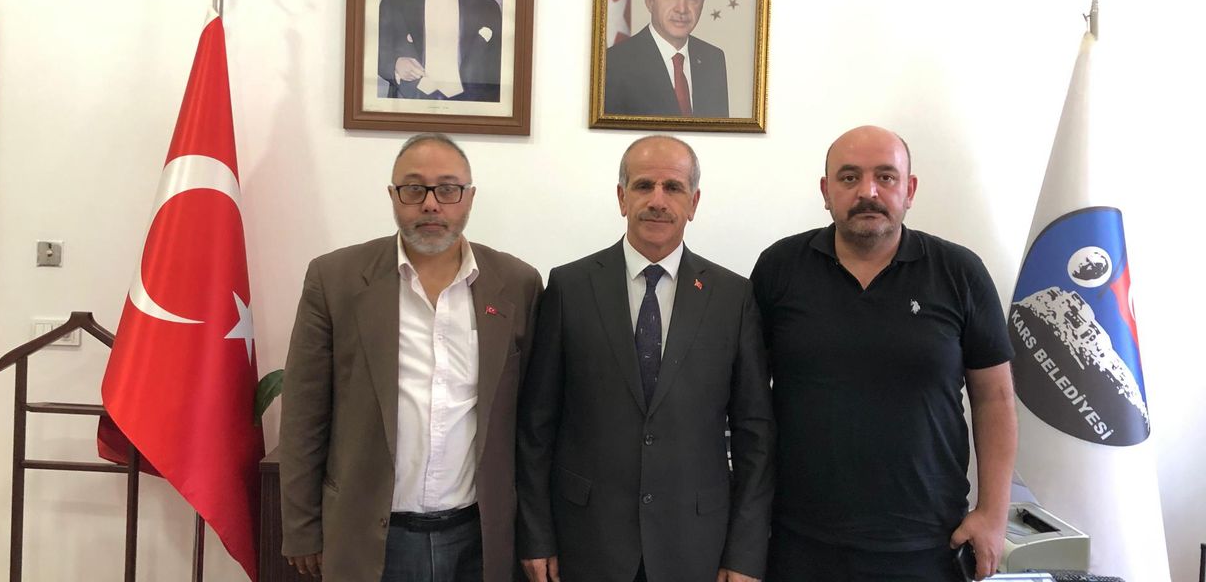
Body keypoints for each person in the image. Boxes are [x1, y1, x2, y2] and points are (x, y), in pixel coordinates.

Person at [749, 125, 1017, 581]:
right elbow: (750, 401)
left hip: (928, 543)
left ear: (909, 190)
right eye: (849, 177)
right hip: (799, 541)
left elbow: (996, 398)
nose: (867, 192)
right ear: (826, 191)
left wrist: (992, 513)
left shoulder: (960, 272)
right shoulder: (780, 268)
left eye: (886, 177)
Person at [279, 133, 542, 582]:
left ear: (469, 197)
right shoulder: (336, 279)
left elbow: (531, 420)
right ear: (393, 196)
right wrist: (302, 528)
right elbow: (304, 415)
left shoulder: (517, 284)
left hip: (479, 535)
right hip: (371, 536)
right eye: (414, 188)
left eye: (448, 189)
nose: (431, 204)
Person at [518, 135, 774, 582]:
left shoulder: (732, 297)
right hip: (586, 537)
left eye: (673, 188)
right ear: (622, 197)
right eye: (643, 186)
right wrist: (536, 534)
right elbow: (537, 425)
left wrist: (746, 552)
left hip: (696, 542)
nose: (657, 200)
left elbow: (755, 433)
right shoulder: (569, 287)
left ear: (693, 203)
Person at [604, 0, 729, 118]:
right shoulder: (615, 63)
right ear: (650, 1)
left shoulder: (713, 59)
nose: (682, 9)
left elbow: (718, 130)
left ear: (703, 2)